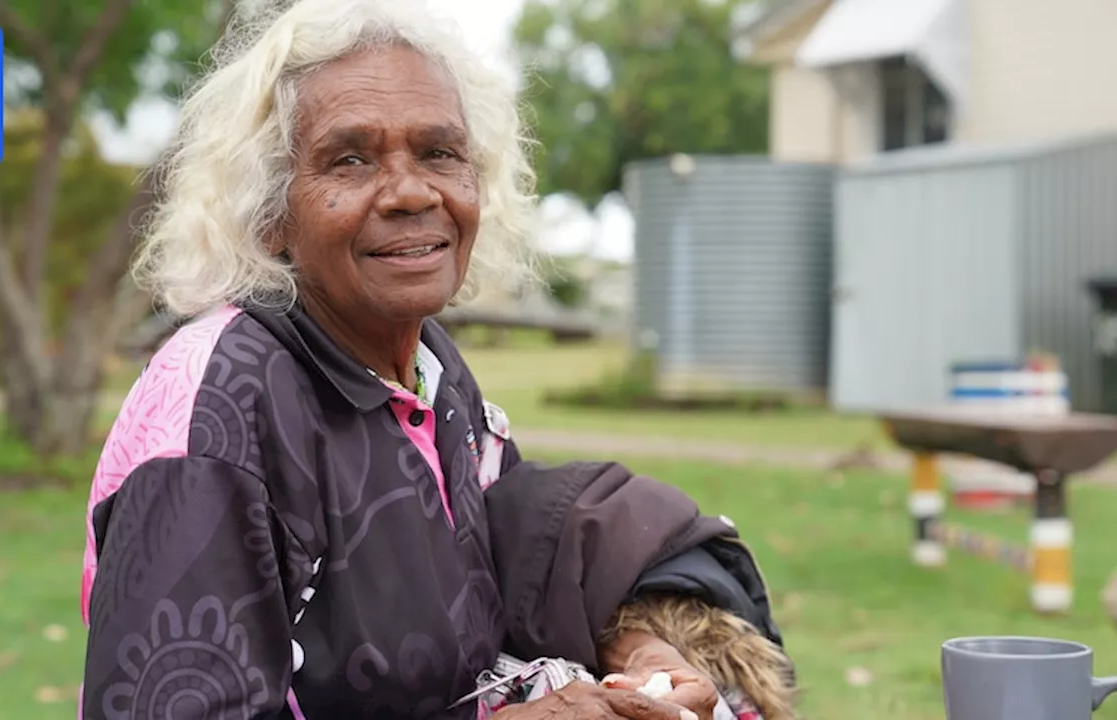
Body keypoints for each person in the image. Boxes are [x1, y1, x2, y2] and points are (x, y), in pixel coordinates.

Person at [78, 0, 794, 718]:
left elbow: (508, 577)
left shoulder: (428, 370)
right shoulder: (222, 410)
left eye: (439, 153)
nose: (414, 192)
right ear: (268, 214)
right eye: (350, 159)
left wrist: (640, 654)